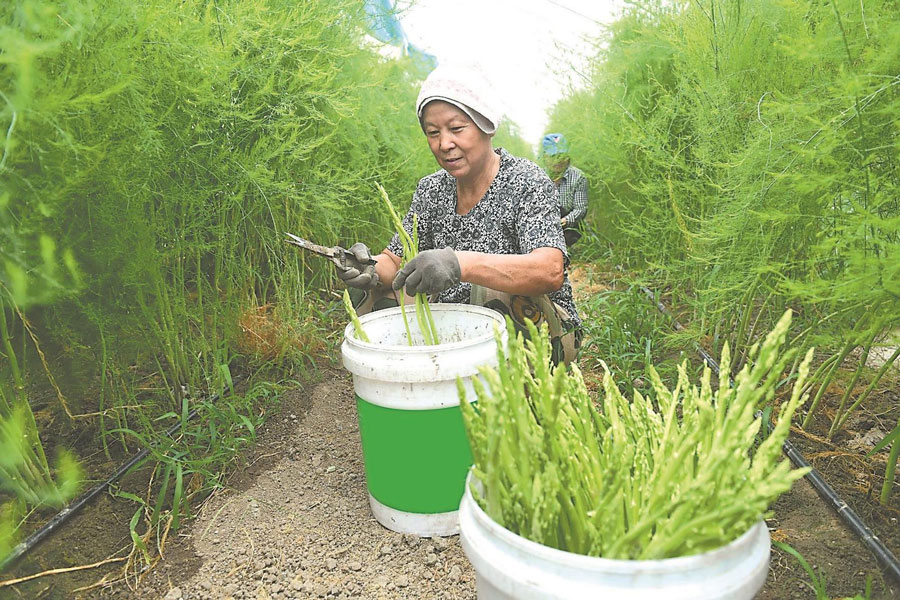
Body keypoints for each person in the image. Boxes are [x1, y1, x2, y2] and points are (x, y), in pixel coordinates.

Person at [335, 65, 582, 364]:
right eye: (433, 133)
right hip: (458, 325)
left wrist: (459, 264)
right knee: (374, 294)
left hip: (537, 326)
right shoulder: (431, 190)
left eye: (456, 129)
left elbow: (549, 271)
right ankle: (413, 380)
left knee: (492, 294)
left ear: (486, 125)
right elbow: (395, 261)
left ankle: (520, 389)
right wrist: (368, 267)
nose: (444, 144)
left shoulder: (526, 180)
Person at [540, 133, 588, 248]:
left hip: (569, 226)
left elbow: (580, 208)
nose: (558, 161)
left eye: (561, 156)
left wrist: (565, 221)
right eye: (553, 156)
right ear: (545, 156)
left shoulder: (578, 177)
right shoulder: (538, 177)